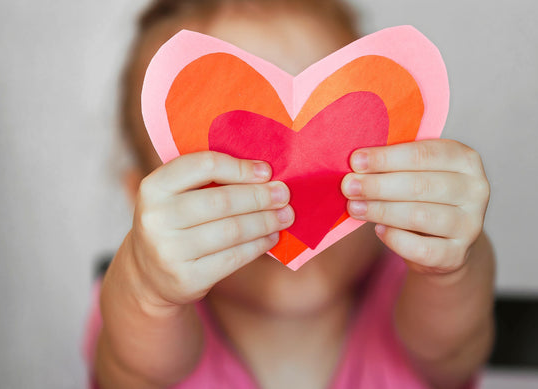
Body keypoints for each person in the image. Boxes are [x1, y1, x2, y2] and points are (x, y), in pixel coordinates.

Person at [84, 0, 496, 388]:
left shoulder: (407, 296)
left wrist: (451, 265)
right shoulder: (158, 326)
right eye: (233, 161)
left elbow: (453, 348)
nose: (287, 197)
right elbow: (131, 372)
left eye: (334, 149)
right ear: (144, 205)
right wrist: (145, 288)